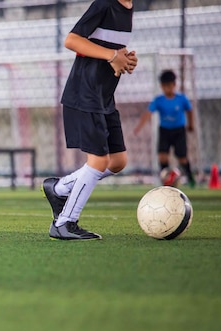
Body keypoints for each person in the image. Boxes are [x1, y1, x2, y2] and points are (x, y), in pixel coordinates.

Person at [42, 0, 137, 240]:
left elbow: (108, 49)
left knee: (117, 161)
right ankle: (64, 223)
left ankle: (60, 189)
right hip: (84, 95)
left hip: (104, 98)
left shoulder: (128, 8)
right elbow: (72, 40)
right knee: (98, 161)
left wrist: (124, 59)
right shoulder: (104, 4)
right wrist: (112, 55)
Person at [133, 69, 195, 187]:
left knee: (182, 157)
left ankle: (190, 178)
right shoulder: (159, 100)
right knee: (162, 157)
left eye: (169, 86)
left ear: (174, 85)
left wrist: (191, 125)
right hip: (165, 131)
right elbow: (148, 113)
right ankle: (166, 180)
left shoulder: (181, 99)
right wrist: (139, 127)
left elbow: (189, 110)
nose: (167, 89)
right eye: (164, 86)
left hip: (179, 130)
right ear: (161, 86)